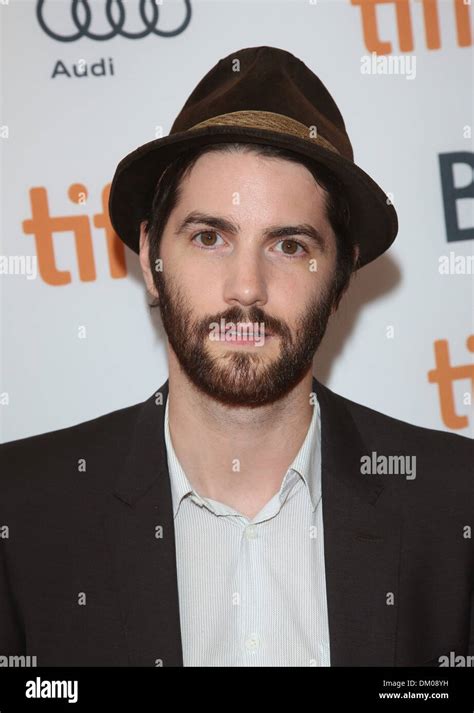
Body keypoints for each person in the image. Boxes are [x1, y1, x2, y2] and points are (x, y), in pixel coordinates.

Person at [1, 46, 472, 668]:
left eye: (288, 244)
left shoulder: (456, 503)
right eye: (209, 237)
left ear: (339, 276)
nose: (246, 287)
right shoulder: (22, 510)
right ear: (151, 256)